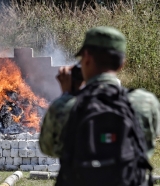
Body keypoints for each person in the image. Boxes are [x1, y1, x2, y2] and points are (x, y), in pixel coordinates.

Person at [39, 26, 160, 185]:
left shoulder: (64, 106)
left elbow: (48, 148)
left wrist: (68, 95)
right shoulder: (146, 102)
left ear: (87, 57)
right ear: (121, 64)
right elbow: (147, 147)